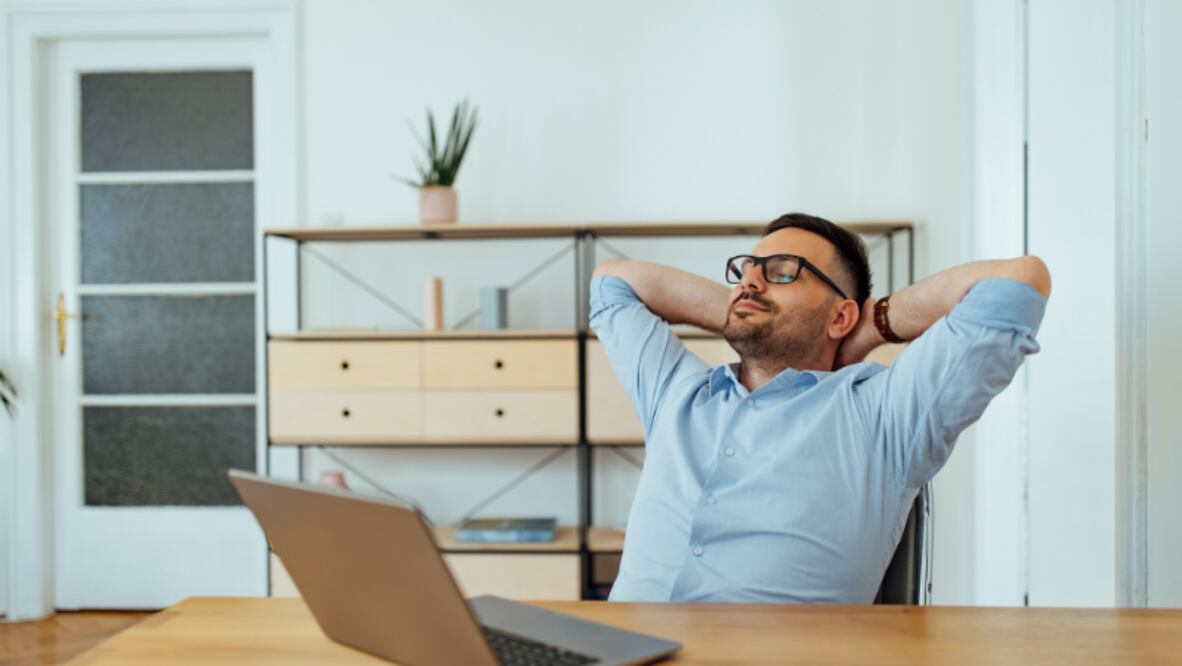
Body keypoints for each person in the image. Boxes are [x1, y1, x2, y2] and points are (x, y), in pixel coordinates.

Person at [590, 212, 1050, 603]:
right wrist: (746, 312)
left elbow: (1016, 284)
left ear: (841, 315)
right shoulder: (677, 392)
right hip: (621, 652)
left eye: (783, 271)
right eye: (746, 271)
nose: (749, 281)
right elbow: (611, 283)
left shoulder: (884, 412)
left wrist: (872, 324)